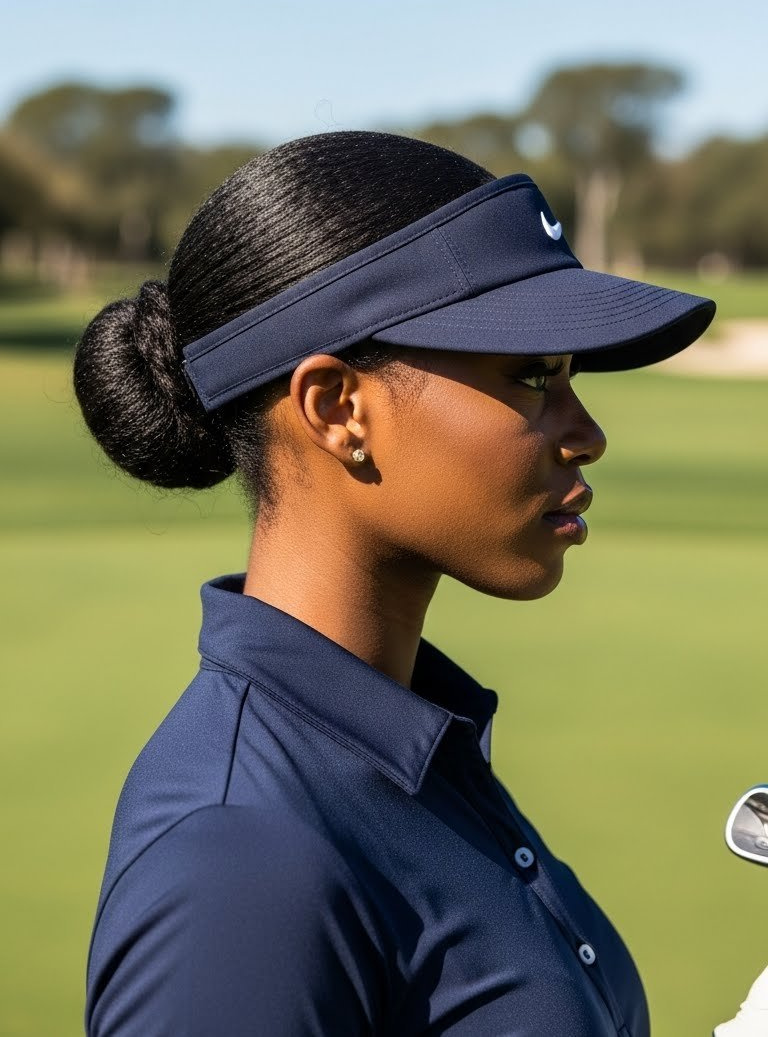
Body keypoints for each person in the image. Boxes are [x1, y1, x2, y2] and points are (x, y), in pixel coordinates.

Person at [76, 129, 717, 1036]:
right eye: (535, 375)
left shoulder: (409, 745)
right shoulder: (238, 862)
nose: (587, 433)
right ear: (338, 408)